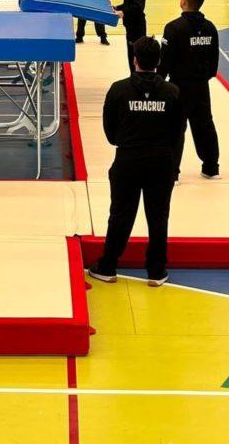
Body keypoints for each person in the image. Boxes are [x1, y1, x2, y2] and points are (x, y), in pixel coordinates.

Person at [88, 37, 183, 288]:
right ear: (158, 61)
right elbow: (178, 132)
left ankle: (108, 266)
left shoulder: (118, 90)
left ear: (134, 60)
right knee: (158, 216)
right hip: (161, 161)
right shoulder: (172, 92)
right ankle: (156, 271)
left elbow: (110, 132)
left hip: (128, 159)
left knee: (120, 214)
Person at [158, 0, 220, 180]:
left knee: (176, 128)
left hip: (179, 86)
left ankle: (172, 172)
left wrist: (158, 82)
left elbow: (164, 61)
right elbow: (214, 63)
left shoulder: (173, 28)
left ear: (183, 1)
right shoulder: (210, 28)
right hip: (201, 86)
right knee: (205, 126)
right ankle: (211, 168)